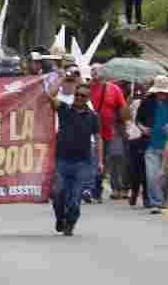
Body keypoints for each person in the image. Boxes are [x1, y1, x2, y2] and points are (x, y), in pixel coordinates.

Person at [48, 78, 102, 236]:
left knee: (75, 198)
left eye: (83, 96)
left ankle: (70, 223)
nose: (79, 98)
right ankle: (60, 218)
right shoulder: (65, 109)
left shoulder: (93, 117)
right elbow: (49, 96)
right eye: (77, 95)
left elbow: (98, 138)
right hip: (62, 160)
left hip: (82, 162)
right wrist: (63, 79)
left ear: (88, 99)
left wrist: (100, 161)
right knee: (58, 193)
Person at [136, 74, 168, 215]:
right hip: (150, 144)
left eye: (164, 92)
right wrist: (143, 128)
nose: (162, 95)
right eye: (159, 92)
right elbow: (138, 120)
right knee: (152, 175)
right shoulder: (147, 102)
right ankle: (155, 202)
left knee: (165, 175)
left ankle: (164, 198)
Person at [89, 64, 129, 200]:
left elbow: (123, 108)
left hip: (112, 130)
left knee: (116, 157)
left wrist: (124, 120)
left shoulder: (114, 89)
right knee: (96, 160)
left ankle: (117, 187)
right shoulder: (86, 89)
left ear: (103, 73)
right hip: (93, 131)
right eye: (92, 70)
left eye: (97, 70)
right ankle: (95, 189)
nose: (94, 72)